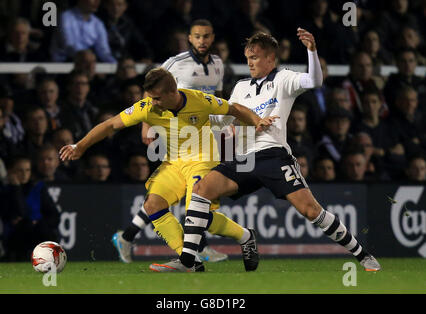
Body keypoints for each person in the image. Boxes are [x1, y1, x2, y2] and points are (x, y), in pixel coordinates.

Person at [152, 29, 381, 272]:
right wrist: (201, 117)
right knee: (200, 190)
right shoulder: (240, 87)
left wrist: (311, 51)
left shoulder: (283, 80)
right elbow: (225, 121)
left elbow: (314, 81)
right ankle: (189, 261)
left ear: (271, 59)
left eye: (256, 57)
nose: (250, 62)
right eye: (248, 57)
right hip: (243, 159)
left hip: (272, 155)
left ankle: (363, 255)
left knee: (310, 210)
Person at [59, 67, 275, 272]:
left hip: (203, 161)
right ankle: (190, 259)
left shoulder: (199, 100)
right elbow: (110, 125)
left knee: (197, 215)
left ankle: (244, 236)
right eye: (151, 97)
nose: (153, 102)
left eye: (158, 98)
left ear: (174, 92)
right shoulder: (147, 107)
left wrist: (257, 120)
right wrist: (80, 146)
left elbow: (234, 108)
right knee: (153, 205)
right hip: (174, 164)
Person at [128, 19, 229, 264]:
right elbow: (151, 88)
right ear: (189, 38)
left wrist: (225, 125)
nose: (202, 41)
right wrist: (146, 125)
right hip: (174, 128)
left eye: (206, 36)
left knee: (190, 189)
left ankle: (128, 235)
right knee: (190, 188)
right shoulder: (175, 63)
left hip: (202, 130)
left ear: (212, 37)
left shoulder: (218, 64)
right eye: (197, 36)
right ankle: (199, 248)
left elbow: (216, 97)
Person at [50, 0, 116, 63]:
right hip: (63, 65)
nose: (97, 1)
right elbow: (69, 46)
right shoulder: (65, 17)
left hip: (89, 63)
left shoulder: (98, 23)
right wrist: (90, 59)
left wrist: (115, 64)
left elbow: (104, 51)